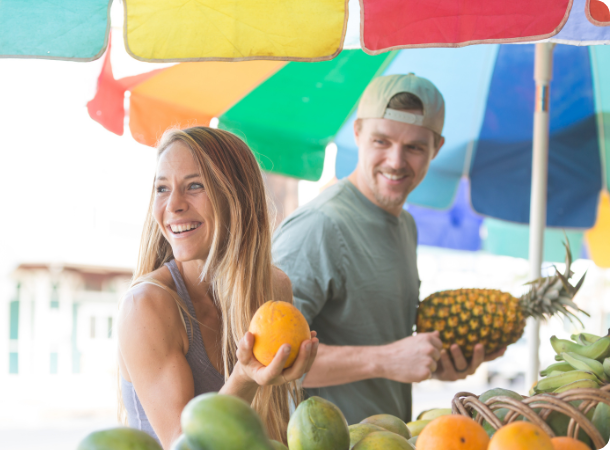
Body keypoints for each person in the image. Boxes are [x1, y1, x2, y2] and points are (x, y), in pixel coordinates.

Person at [272, 74, 505, 424]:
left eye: (414, 147)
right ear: (358, 133)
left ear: (436, 149)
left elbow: (384, 345)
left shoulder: (405, 226)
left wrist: (436, 365)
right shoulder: (319, 226)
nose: (396, 161)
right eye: (382, 141)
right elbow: (274, 358)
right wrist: (384, 359)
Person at [117, 127, 319, 448]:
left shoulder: (274, 288)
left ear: (236, 196)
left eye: (194, 185)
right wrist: (244, 378)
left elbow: (271, 432)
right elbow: (184, 445)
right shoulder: (147, 305)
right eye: (162, 188)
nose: (174, 205)